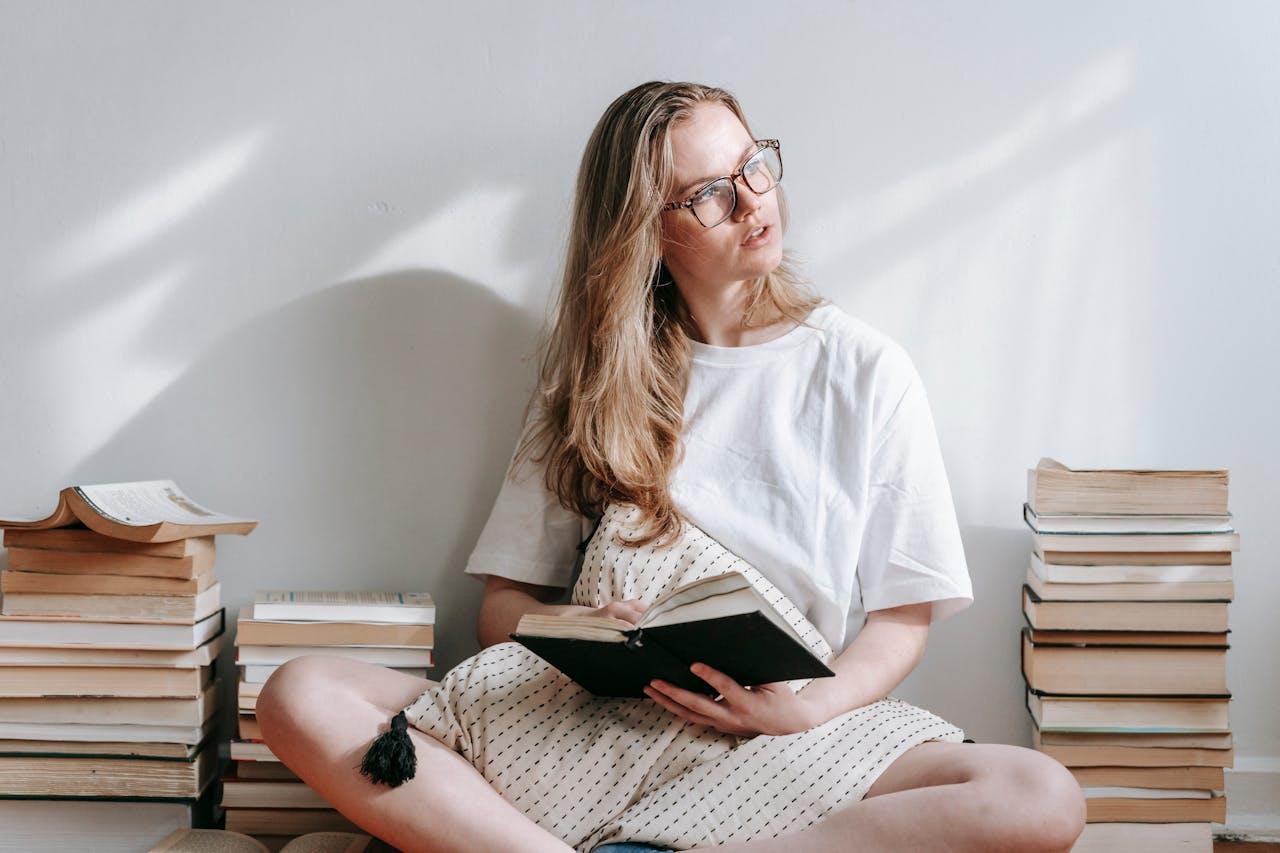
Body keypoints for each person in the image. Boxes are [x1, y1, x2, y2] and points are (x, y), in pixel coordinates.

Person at [256, 81, 1087, 853]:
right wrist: (590, 632)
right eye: (709, 195)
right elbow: (503, 607)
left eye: (753, 166)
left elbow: (905, 616)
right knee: (299, 690)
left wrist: (802, 709)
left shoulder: (863, 368)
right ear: (647, 231)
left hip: (782, 728)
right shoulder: (592, 381)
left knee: (1038, 794)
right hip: (592, 719)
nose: (754, 202)